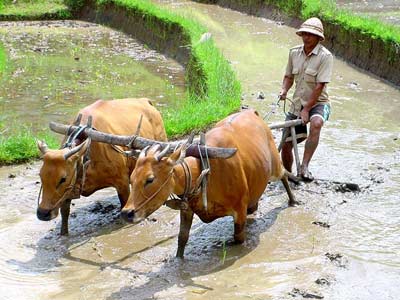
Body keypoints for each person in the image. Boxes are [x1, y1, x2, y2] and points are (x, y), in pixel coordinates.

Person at [279, 17, 333, 182]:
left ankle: (304, 166)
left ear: (318, 38)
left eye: (310, 35)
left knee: (316, 123)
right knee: (286, 143)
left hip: (318, 103)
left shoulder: (325, 56)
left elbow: (320, 86)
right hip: (297, 103)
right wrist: (284, 90)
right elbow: (288, 76)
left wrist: (307, 109)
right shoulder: (294, 53)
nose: (306, 37)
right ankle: (288, 175)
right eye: (304, 34)